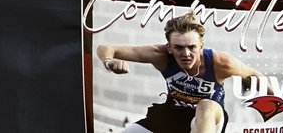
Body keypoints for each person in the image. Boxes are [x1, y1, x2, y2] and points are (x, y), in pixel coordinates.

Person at [97, 11, 266, 133]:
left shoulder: (222, 63)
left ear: (200, 46)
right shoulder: (160, 55)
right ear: (169, 48)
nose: (186, 54)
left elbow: (255, 76)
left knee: (205, 105)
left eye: (192, 47)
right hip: (171, 115)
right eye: (178, 47)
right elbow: (107, 48)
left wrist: (279, 96)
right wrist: (109, 62)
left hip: (209, 118)